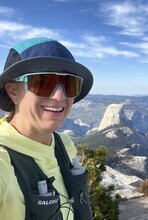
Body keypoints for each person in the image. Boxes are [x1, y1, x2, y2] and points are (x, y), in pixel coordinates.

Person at [0, 37, 93, 220]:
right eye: (43, 82)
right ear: (13, 91)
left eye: (69, 84)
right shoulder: (3, 161)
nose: (59, 96)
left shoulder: (64, 145)